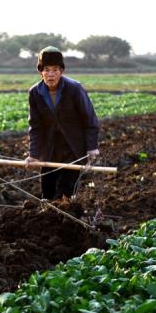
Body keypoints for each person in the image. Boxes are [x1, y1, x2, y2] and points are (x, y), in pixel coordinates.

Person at [25, 46, 101, 200]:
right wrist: (34, 155)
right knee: (47, 193)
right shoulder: (35, 93)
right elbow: (36, 126)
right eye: (46, 70)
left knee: (64, 193)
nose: (50, 74)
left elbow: (90, 119)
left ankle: (64, 219)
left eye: (55, 70)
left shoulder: (74, 89)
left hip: (73, 149)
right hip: (50, 150)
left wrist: (92, 147)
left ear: (61, 71)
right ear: (41, 71)